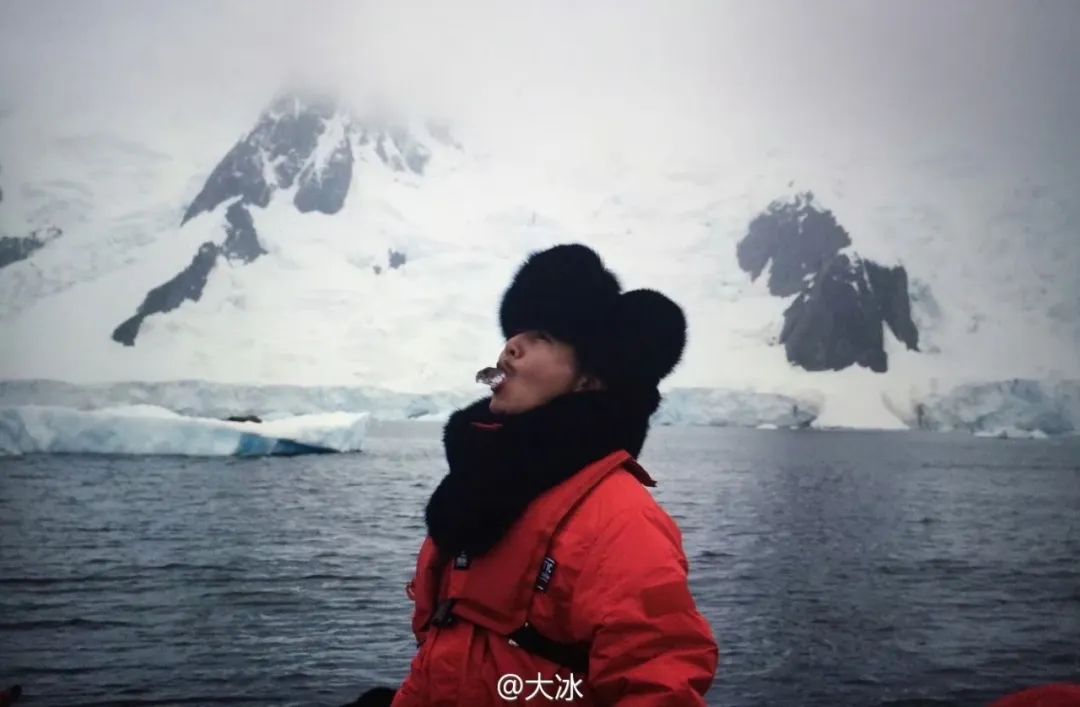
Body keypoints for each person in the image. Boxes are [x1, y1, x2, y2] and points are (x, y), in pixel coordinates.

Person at [352, 244, 718, 706]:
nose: (511, 346)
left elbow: (660, 685)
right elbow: (449, 656)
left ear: (589, 380)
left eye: (541, 336)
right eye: (515, 332)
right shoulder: (480, 490)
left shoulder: (618, 520)